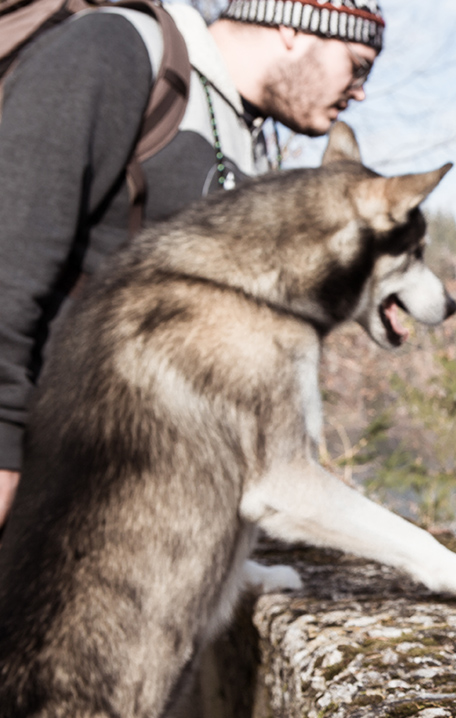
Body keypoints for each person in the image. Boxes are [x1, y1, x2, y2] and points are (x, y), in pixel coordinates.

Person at [0, 0, 385, 533]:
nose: (360, 91)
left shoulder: (243, 138)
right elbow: (12, 255)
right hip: (25, 467)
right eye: (358, 66)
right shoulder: (117, 49)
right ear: (294, 28)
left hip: (96, 491)